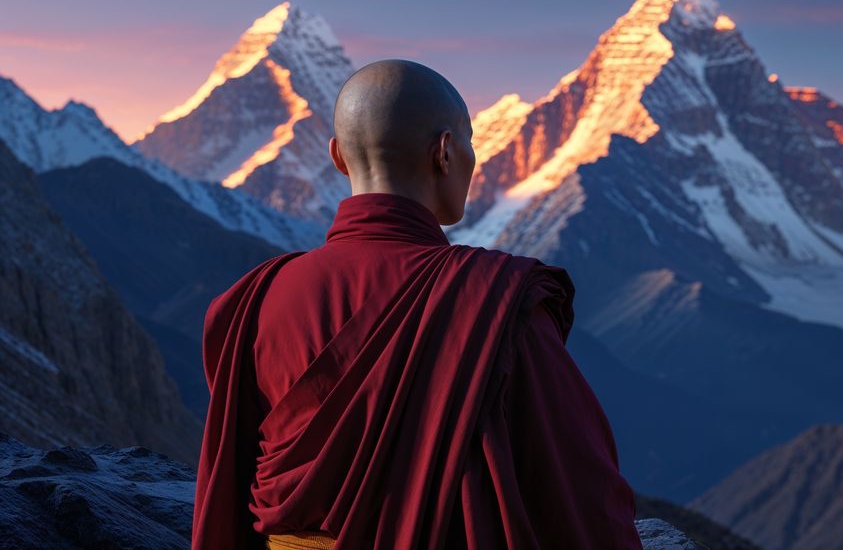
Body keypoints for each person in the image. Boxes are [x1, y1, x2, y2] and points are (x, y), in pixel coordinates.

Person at [192, 59, 643, 549]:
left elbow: (227, 483)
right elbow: (580, 489)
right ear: (445, 152)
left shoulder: (254, 302)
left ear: (338, 157)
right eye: (471, 141)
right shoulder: (492, 305)